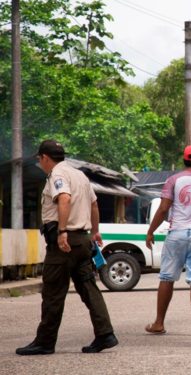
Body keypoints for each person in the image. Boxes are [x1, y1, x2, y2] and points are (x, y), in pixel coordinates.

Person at [17, 140, 117, 356]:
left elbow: (64, 198)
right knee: (89, 288)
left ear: (44, 157)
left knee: (53, 292)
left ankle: (44, 342)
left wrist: (62, 231)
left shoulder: (58, 175)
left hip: (65, 242)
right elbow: (93, 204)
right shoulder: (80, 175)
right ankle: (105, 334)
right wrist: (95, 232)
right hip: (83, 240)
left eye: (39, 159)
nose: (39, 162)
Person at [144, 145, 191, 337]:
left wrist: (150, 231)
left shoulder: (174, 180)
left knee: (167, 277)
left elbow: (163, 209)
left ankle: (159, 323)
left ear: (184, 159)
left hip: (177, 232)